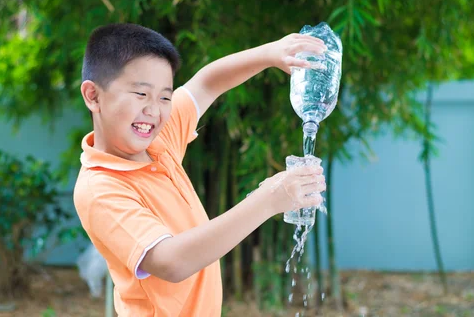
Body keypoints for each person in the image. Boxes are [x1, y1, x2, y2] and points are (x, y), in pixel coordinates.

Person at [73, 23, 327, 316]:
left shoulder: (158, 143)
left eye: (164, 97)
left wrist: (271, 53)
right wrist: (268, 199)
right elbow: (171, 261)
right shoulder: (100, 188)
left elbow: (207, 83)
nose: (155, 110)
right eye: (141, 94)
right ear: (93, 96)